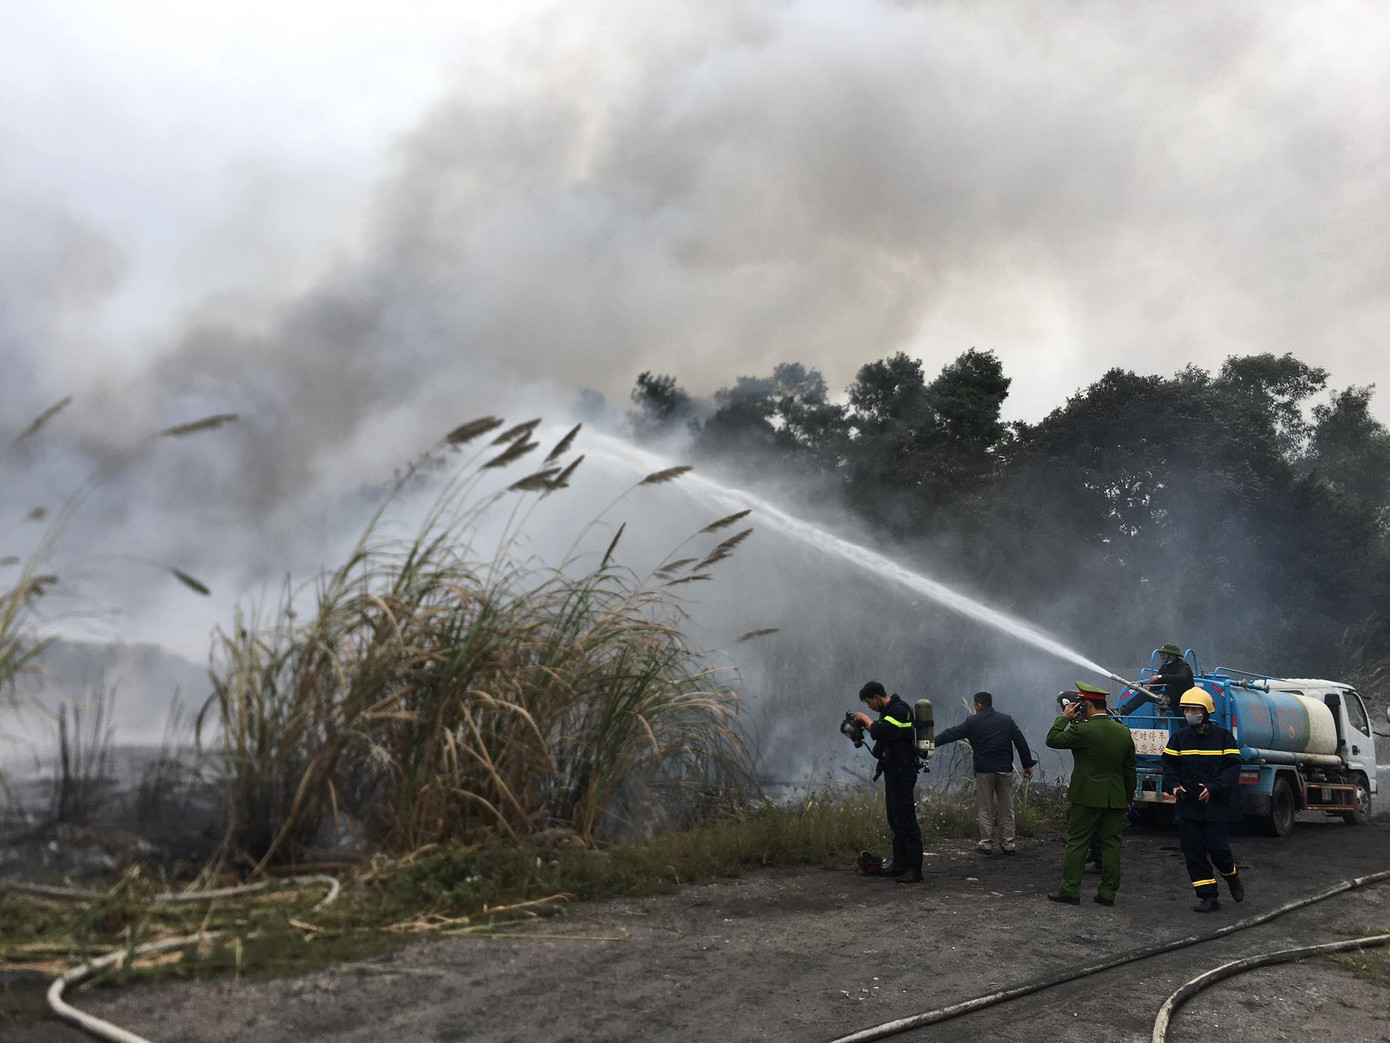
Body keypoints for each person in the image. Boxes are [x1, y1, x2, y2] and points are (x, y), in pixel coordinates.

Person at [1045, 682, 1137, 907]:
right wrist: (1128, 798)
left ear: (1087, 705)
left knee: (1077, 843)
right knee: (1112, 846)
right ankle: (1107, 894)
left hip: (1086, 797)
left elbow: (1052, 740)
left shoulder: (1082, 731)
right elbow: (1129, 770)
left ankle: (1070, 890)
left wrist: (1064, 718)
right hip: (1115, 798)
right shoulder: (1123, 731)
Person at [1162, 688, 1246, 913]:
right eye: (1186, 709)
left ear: (1206, 712)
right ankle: (1208, 897)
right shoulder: (1179, 738)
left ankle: (1232, 877)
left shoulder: (1223, 738)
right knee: (1193, 852)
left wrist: (1213, 787)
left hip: (1215, 807)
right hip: (1189, 807)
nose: (1190, 713)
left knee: (1218, 849)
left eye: (1195, 709)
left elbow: (1232, 769)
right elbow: (1169, 766)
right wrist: (1174, 785)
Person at [933, 691, 1037, 855]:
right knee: (1007, 808)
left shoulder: (972, 722)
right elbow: (1021, 742)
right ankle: (1008, 844)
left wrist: (930, 743)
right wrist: (1027, 765)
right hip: (1005, 770)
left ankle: (986, 843)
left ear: (978, 705)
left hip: (984, 771)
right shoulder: (1006, 720)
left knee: (985, 808)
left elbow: (950, 734)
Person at [852, 681, 923, 883]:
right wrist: (858, 735)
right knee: (895, 819)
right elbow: (881, 740)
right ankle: (899, 865)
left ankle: (915, 871)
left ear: (876, 697)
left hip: (903, 772)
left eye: (869, 703)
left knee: (906, 821)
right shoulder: (888, 713)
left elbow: (881, 731)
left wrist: (864, 719)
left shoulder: (900, 710)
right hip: (893, 772)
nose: (870, 708)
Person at [1119, 643, 1194, 716]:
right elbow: (1157, 686)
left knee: (1185, 721)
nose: (1162, 655)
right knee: (1144, 694)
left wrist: (1161, 676)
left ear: (1173, 655)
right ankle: (1121, 712)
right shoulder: (1165, 668)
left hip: (1185, 701)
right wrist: (1141, 686)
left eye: (1164, 653)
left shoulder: (1183, 666)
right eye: (1162, 653)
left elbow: (1182, 678)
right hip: (1170, 699)